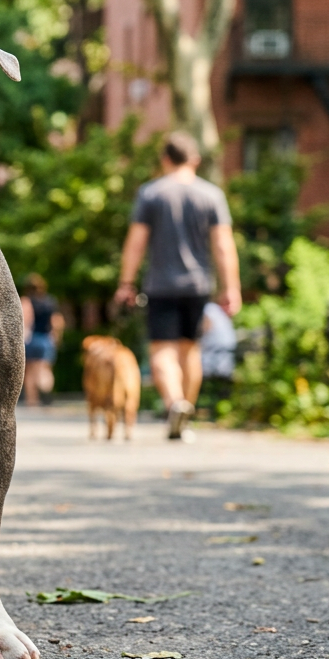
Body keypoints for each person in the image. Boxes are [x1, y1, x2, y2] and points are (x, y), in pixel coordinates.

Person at [114, 131, 241, 441]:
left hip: (161, 286)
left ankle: (174, 403)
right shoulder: (212, 195)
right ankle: (186, 411)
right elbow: (223, 245)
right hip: (199, 286)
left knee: (162, 351)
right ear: (195, 160)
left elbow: (136, 243)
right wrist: (231, 288)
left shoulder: (151, 193)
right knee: (190, 350)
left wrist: (126, 283)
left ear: (165, 159)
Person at [20, 273, 64, 406]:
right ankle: (45, 388)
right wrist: (56, 337)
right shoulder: (50, 301)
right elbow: (57, 321)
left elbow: (25, 320)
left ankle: (32, 401)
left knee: (29, 371)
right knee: (44, 368)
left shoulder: (26, 301)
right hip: (46, 339)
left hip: (31, 339)